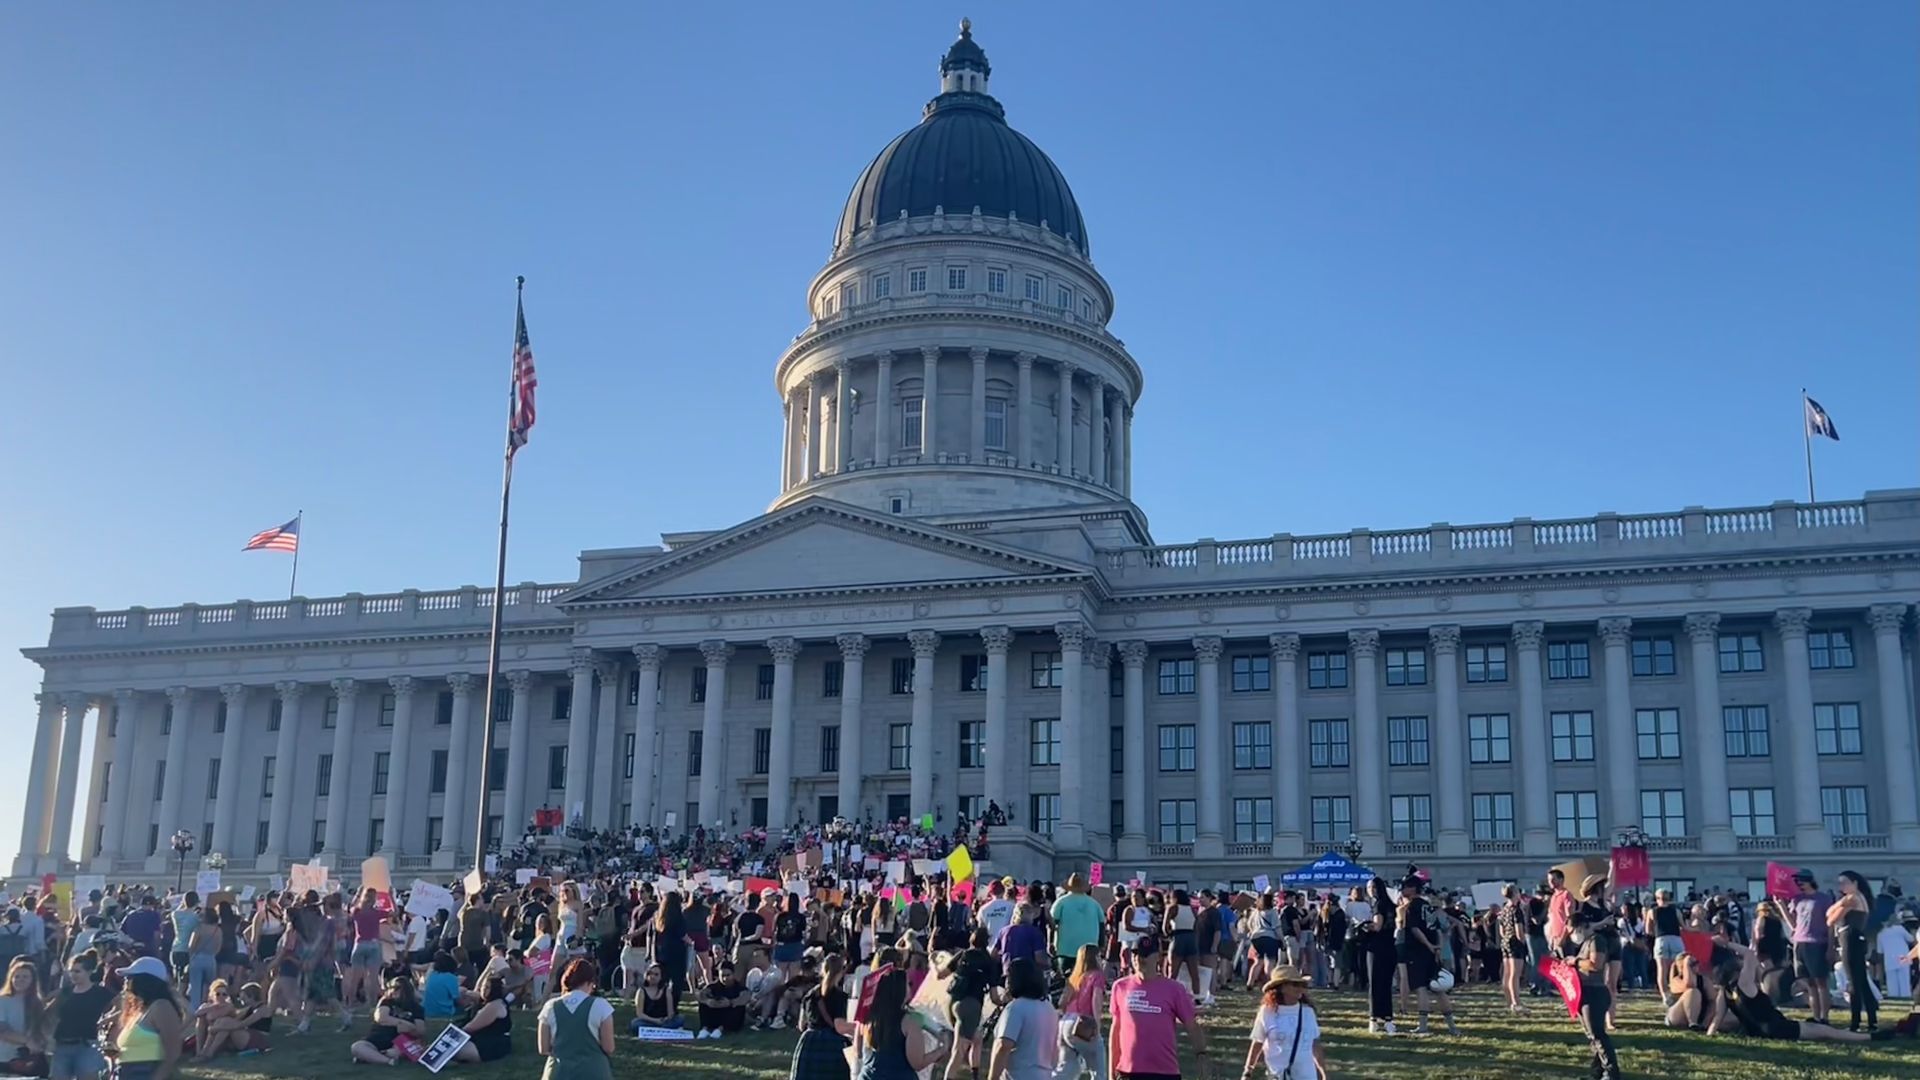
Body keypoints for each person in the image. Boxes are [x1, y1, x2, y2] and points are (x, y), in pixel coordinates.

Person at [1707, 939, 1880, 1044]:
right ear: (1735, 969)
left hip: (1757, 1032)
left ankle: (1865, 1037)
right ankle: (1868, 1038)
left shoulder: (1725, 993)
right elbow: (1750, 954)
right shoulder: (1743, 983)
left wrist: (1709, 1037)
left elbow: (1716, 1019)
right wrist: (1726, 943)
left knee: (1819, 1030)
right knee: (1824, 1031)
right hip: (1776, 1029)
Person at [1109, 935, 1206, 1080]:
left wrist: (1201, 1055)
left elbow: (1192, 1025)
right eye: (1136, 954)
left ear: (1158, 957)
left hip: (1164, 1071)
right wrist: (1112, 1071)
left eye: (1146, 955)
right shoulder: (1120, 987)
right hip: (1129, 1071)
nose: (1140, 959)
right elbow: (1116, 1031)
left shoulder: (1174, 989)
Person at [855, 968, 952, 1080]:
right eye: (908, 984)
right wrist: (941, 1049)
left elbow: (858, 1051)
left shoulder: (869, 1016)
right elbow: (917, 1063)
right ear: (899, 990)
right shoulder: (909, 1023)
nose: (910, 987)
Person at [1394, 879, 1457, 1036]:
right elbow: (1436, 929)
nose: (1402, 890)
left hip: (1417, 951)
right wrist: (1437, 948)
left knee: (1421, 988)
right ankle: (1453, 1027)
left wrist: (1428, 945)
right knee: (1438, 987)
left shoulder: (1411, 907)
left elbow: (1415, 929)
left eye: (1405, 887)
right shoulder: (1428, 906)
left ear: (1413, 888)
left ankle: (1423, 1026)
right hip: (1432, 951)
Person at [536, 959, 615, 1080]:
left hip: (558, 1072)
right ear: (590, 982)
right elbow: (608, 1048)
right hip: (594, 1072)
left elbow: (543, 1049)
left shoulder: (550, 1006)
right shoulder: (601, 1005)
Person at [109, 956, 184, 1080]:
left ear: (145, 980)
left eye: (129, 978)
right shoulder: (138, 1011)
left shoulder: (161, 1006)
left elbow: (173, 1052)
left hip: (146, 1072)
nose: (125, 982)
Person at [943, 928, 1002, 1080]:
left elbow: (941, 974)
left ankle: (975, 1075)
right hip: (970, 1006)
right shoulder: (989, 962)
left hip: (951, 1002)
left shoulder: (963, 954)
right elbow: (995, 998)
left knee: (977, 1037)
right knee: (958, 1052)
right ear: (987, 941)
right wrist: (1005, 1001)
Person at [1241, 966, 1320, 1080]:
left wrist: (1323, 1072)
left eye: (1302, 985)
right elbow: (1257, 1042)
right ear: (1282, 988)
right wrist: (1248, 1071)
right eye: (1295, 985)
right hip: (1277, 1076)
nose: (1300, 989)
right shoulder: (1267, 1012)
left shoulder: (1308, 1012)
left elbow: (1315, 1044)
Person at [988, 958, 1060, 1080]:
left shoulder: (1016, 1008)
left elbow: (1004, 1045)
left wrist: (992, 1077)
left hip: (1018, 1074)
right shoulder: (1049, 1009)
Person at [1827, 870, 1878, 1032]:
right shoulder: (1860, 898)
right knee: (1861, 981)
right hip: (1856, 939)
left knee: (1853, 982)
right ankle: (1871, 1020)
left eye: (1844, 882)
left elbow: (1830, 919)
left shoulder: (1851, 899)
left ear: (1854, 883)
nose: (1841, 886)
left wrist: (1839, 904)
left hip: (1849, 938)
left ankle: (1855, 1022)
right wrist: (1839, 904)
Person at [49, 952, 113, 1080]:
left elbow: (120, 1006)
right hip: (62, 1045)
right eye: (71, 971)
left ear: (89, 972)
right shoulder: (65, 992)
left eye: (78, 971)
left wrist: (108, 1021)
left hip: (88, 1045)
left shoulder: (100, 992)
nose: (73, 975)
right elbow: (50, 1013)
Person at [1785, 869, 1835, 1025]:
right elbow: (1793, 924)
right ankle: (1815, 1015)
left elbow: (1830, 924)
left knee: (1821, 981)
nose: (1799, 884)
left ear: (1810, 881)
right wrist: (1781, 906)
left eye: (1802, 881)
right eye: (1798, 881)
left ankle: (1824, 1017)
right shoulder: (1796, 899)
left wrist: (1830, 946)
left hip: (1817, 942)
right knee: (1809, 983)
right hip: (1800, 942)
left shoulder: (1824, 899)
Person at [349, 972, 427, 1065]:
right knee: (357, 1047)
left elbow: (420, 1031)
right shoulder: (387, 1002)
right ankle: (387, 1060)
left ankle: (373, 1057)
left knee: (395, 1052)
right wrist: (402, 1023)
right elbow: (381, 1018)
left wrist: (410, 1029)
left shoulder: (416, 1008)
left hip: (398, 1043)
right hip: (376, 1039)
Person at [1057, 943, 1108, 1080]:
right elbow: (1095, 1002)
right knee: (1098, 1068)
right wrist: (1097, 1027)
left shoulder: (1074, 977)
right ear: (1095, 957)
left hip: (1065, 1022)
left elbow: (1062, 1002)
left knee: (1066, 1069)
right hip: (1082, 1022)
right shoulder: (1097, 976)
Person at [451, 974, 514, 1064]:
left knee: (456, 1050)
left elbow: (470, 1028)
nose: (483, 990)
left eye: (487, 987)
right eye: (483, 986)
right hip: (481, 1039)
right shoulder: (484, 1003)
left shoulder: (494, 1005)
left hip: (492, 1044)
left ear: (494, 989)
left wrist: (453, 1037)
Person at [1051, 876, 1105, 979]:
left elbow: (1052, 923)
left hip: (1065, 948)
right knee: (1086, 979)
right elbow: (1101, 925)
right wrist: (1101, 944)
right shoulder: (1094, 903)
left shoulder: (1061, 902)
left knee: (1066, 979)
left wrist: (1050, 942)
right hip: (1089, 948)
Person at [0, 957, 45, 1075]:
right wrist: (28, 1041)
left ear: (33, 980)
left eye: (25, 977)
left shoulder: (37, 1003)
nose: (20, 980)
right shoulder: (3, 1000)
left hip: (30, 1060)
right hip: (5, 1059)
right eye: (17, 977)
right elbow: (2, 1030)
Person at [1495, 886, 1529, 1014]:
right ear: (1515, 893)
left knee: (1507, 973)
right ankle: (1517, 1003)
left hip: (1506, 941)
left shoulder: (1504, 910)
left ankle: (1509, 1001)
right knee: (1515, 975)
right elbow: (1519, 931)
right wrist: (1523, 942)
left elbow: (1502, 931)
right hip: (1515, 942)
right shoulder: (1516, 911)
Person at [695, 960, 749, 1039]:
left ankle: (720, 1030)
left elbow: (746, 997)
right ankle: (704, 1029)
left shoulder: (740, 988)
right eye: (722, 975)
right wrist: (708, 1001)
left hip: (731, 1019)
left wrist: (730, 1002)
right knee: (703, 1004)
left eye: (728, 975)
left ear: (733, 974)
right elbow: (699, 995)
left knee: (737, 1007)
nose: (725, 978)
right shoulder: (713, 987)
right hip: (715, 1014)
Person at [631, 964, 682, 1031]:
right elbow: (640, 1014)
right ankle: (661, 1029)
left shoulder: (666, 990)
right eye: (650, 974)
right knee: (635, 1023)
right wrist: (655, 1021)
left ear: (661, 977)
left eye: (656, 974)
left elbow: (671, 1013)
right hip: (648, 1020)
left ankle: (658, 1029)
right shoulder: (641, 991)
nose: (652, 977)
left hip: (664, 1020)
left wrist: (665, 1019)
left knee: (680, 1019)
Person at [1246, 895, 1281, 991]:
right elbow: (1276, 927)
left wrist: (1253, 930)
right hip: (1269, 937)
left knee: (1258, 961)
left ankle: (1250, 982)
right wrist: (1281, 939)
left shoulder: (1255, 912)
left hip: (1256, 937)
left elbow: (1249, 924)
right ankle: (1270, 982)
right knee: (1270, 961)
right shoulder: (1272, 912)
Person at [420, 952, 464, 1021]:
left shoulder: (431, 975)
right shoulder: (451, 978)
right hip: (444, 1013)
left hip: (427, 1012)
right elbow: (457, 999)